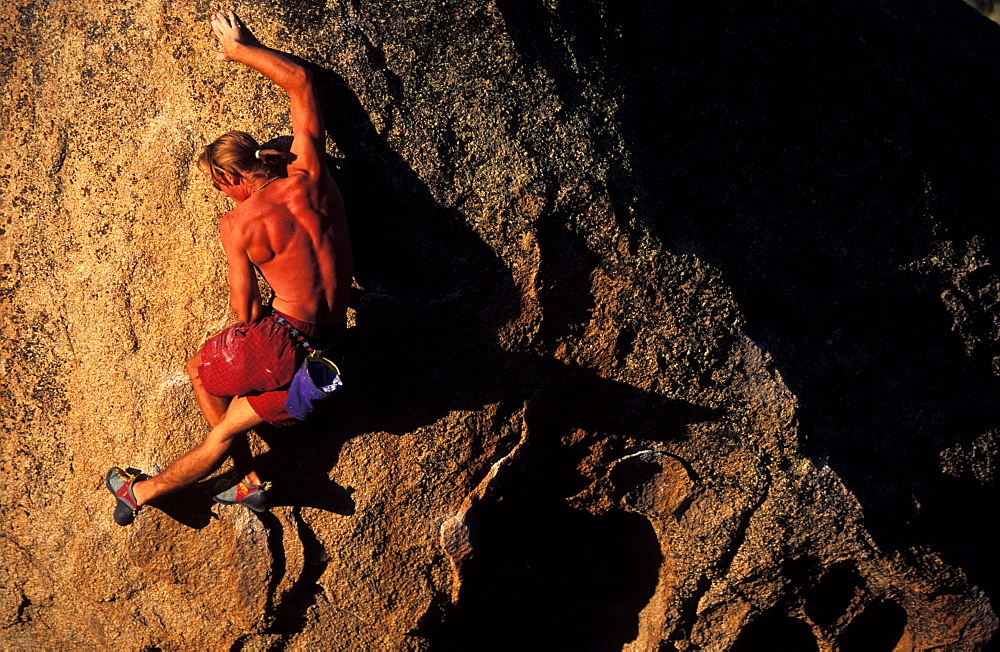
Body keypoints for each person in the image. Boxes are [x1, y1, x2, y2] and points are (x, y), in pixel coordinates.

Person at [106, 10, 352, 526]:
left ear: (233, 176)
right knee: (227, 427)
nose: (221, 194)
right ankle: (170, 490)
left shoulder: (238, 223)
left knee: (202, 370)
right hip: (333, 342)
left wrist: (257, 329)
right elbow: (302, 83)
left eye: (220, 184)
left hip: (285, 338)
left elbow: (246, 309)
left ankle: (214, 484)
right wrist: (240, 49)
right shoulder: (312, 173)